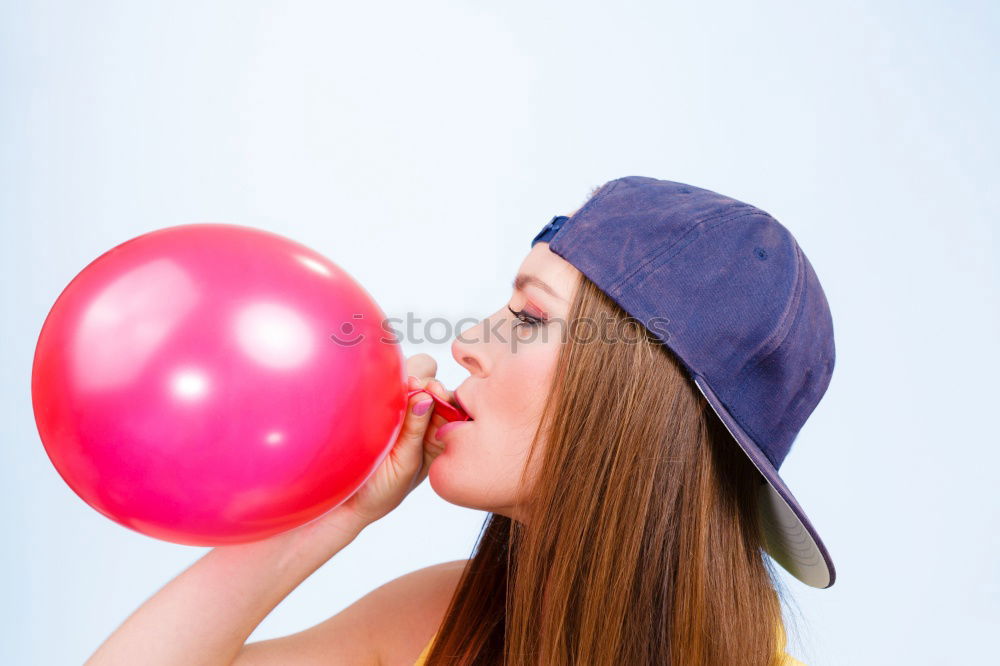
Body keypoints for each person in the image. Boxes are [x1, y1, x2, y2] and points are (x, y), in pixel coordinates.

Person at [87, 176, 834, 665]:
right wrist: (319, 522)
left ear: (640, 405)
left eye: (530, 317)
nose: (469, 343)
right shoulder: (444, 626)